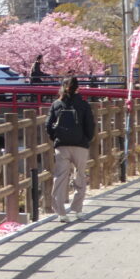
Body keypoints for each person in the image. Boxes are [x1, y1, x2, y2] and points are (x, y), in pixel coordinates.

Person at [45, 76, 95, 222]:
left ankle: (61, 212)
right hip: (80, 145)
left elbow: (48, 125)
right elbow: (90, 126)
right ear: (78, 88)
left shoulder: (57, 104)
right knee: (80, 176)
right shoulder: (84, 104)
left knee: (60, 177)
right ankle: (77, 209)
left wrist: (55, 138)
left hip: (62, 145)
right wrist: (86, 139)